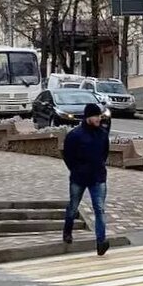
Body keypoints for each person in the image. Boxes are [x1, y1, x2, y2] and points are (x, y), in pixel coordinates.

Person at [62, 103, 112, 256]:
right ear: (88, 117)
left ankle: (101, 242)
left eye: (99, 116)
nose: (98, 118)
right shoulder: (75, 135)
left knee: (99, 209)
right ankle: (67, 231)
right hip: (79, 178)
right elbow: (68, 156)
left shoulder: (102, 134)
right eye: (95, 116)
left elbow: (104, 153)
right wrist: (76, 170)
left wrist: (99, 167)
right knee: (73, 206)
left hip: (98, 177)